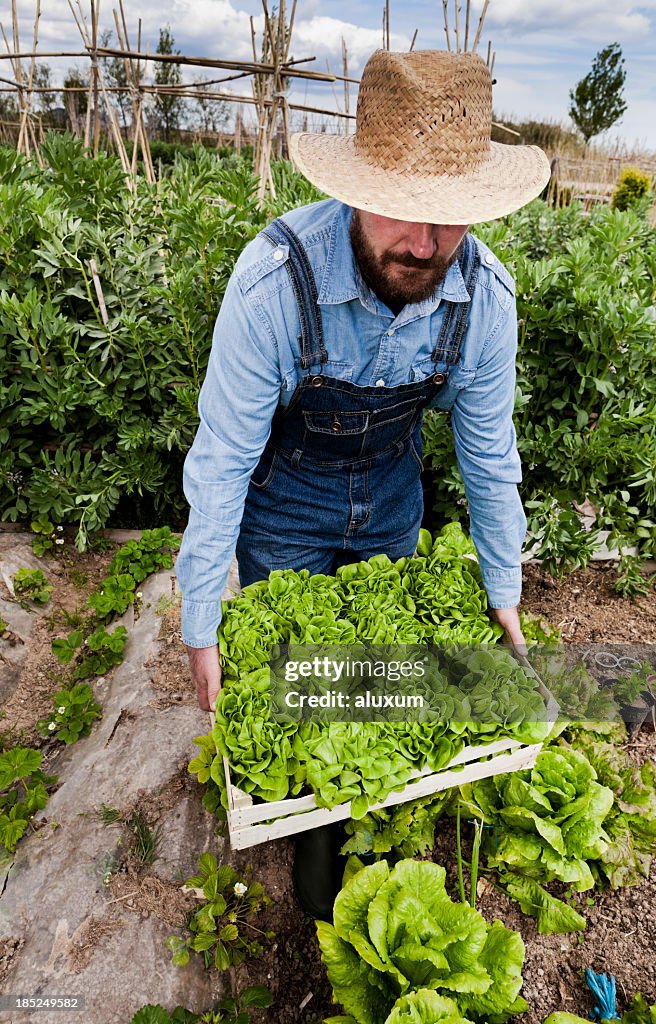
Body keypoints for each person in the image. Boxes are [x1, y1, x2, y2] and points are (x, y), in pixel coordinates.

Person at [175, 48, 550, 917]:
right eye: (406, 214)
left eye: (449, 220)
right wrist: (202, 618)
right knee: (303, 684)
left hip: (390, 496)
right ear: (353, 187)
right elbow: (224, 453)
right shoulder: (274, 285)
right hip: (286, 503)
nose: (424, 245)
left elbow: (489, 453)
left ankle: (365, 824)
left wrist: (504, 588)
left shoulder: (485, 299)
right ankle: (315, 860)